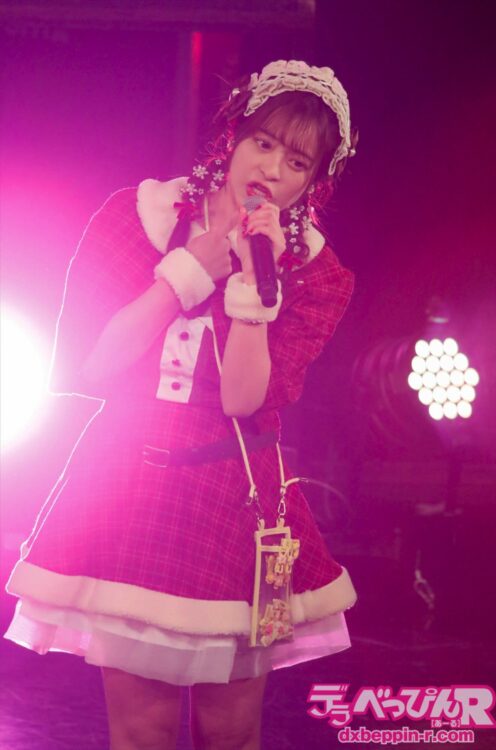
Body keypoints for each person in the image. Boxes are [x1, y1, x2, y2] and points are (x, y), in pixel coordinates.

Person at [5, 59, 358, 750]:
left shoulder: (315, 274)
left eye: (296, 162)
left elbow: (243, 399)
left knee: (231, 730)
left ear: (314, 181)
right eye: (263, 143)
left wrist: (252, 283)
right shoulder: (136, 216)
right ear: (233, 136)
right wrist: (192, 268)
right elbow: (92, 363)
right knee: (142, 731)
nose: (271, 170)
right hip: (131, 486)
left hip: (237, 497)